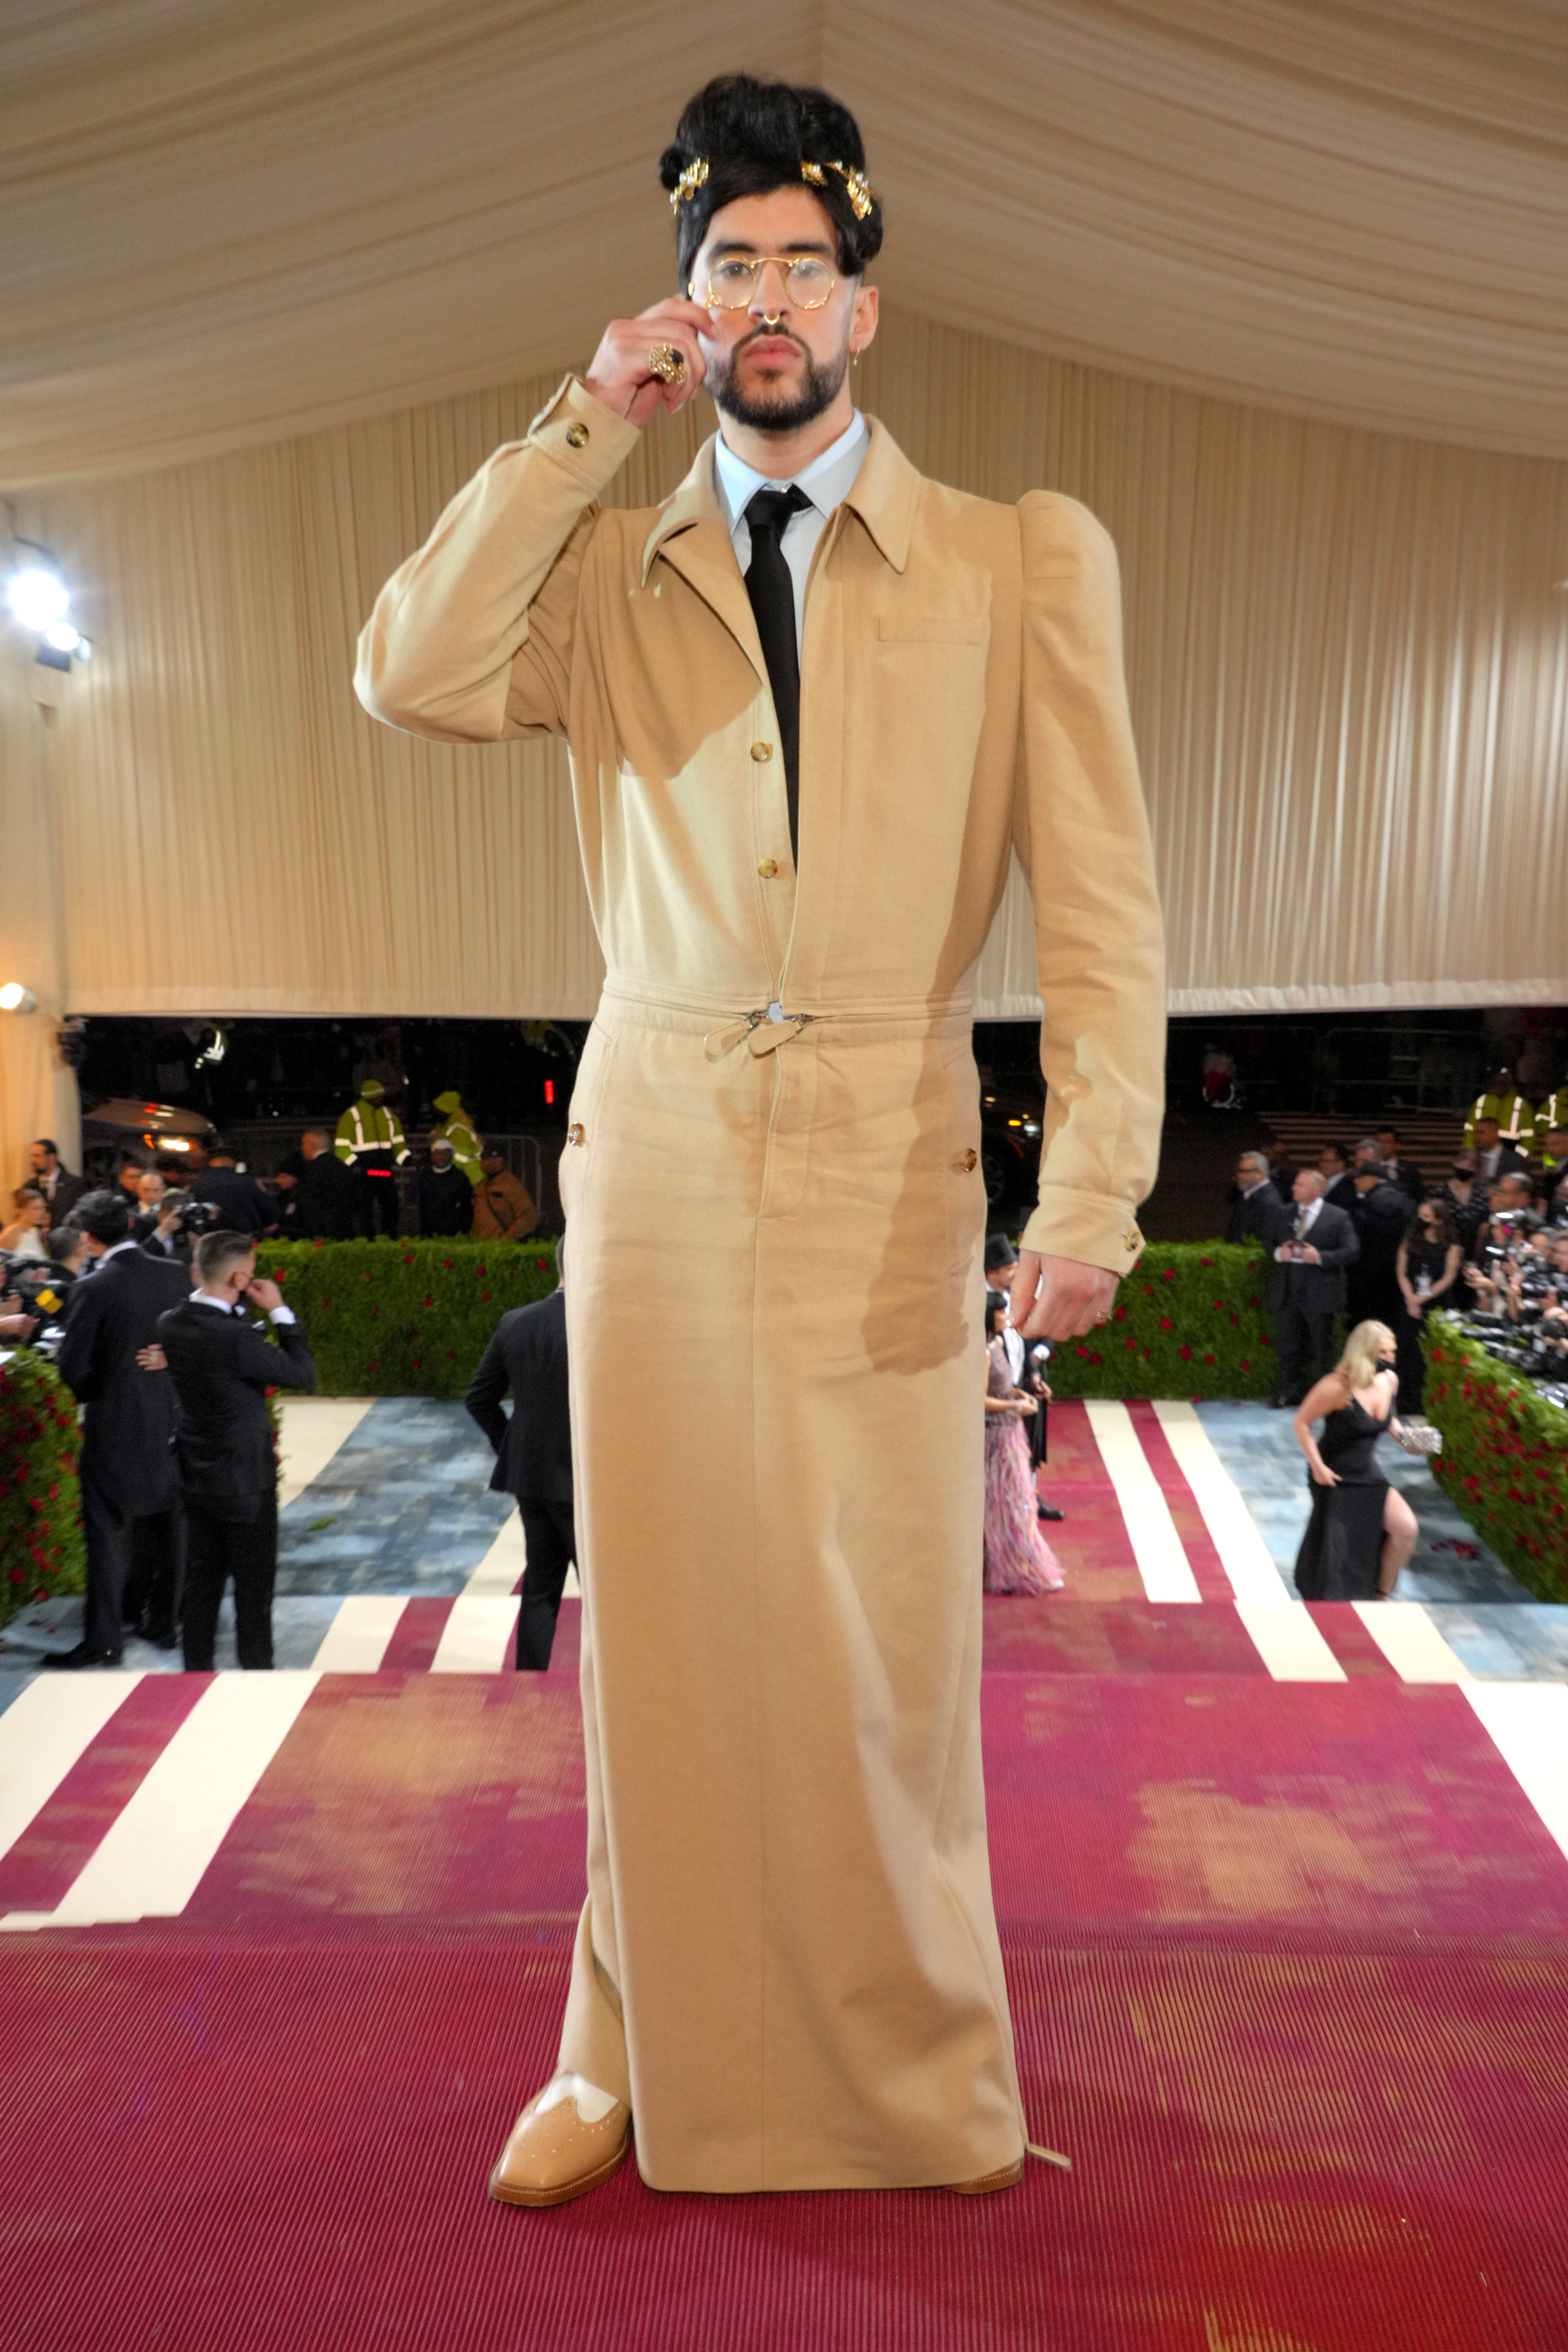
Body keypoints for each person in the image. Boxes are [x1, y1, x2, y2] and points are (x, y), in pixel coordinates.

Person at [356, 72, 1163, 2207]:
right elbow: (407, 671)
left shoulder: (1016, 562)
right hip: (669, 1154)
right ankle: (615, 2042)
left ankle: (903, 2064)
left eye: (809, 261)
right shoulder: (605, 568)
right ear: (687, 309)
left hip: (898, 1139)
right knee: (670, 1628)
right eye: (731, 266)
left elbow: (1101, 911)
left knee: (885, 1638)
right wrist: (576, 420)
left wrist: (1094, 1189)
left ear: (866, 308)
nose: (772, 296)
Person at [155, 1228, 316, 1672]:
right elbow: (303, 1374)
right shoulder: (237, 1338)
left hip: (194, 1473)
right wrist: (280, 1310)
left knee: (202, 1581)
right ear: (241, 1277)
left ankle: (196, 1674)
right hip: (245, 1481)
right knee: (253, 1589)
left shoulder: (170, 1323)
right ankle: (256, 1677)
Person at [48, 1190, 190, 1665]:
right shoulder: (175, 1275)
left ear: (88, 1239)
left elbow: (72, 1368)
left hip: (116, 1421)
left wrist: (98, 1392)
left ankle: (105, 1638)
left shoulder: (95, 1288)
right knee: (170, 1523)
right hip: (173, 1415)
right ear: (131, 1224)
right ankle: (165, 1624)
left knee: (106, 1531)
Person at [464, 1246, 574, 1668]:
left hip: (530, 1477)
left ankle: (530, 1683)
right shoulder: (598, 1327)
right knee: (604, 1594)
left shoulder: (516, 1322)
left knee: (541, 1586)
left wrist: (511, 1443)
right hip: (583, 1482)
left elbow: (479, 1399)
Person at [1291, 1321, 1418, 1601]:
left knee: (1406, 1528)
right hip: (1334, 1474)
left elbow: (1390, 1423)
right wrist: (1318, 1467)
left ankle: (1381, 1593)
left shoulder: (1389, 1381)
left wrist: (1418, 1442)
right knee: (1337, 1556)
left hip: (1366, 1473)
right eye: (1384, 1352)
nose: (1392, 1358)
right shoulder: (1337, 1386)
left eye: (1393, 1351)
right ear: (1366, 1353)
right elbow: (1301, 1423)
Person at [982, 1290, 1063, 1595]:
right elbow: (980, 1398)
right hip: (996, 1438)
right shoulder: (985, 1352)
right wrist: (1015, 1407)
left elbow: (1004, 1389)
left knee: (1015, 1504)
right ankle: (1018, 1568)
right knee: (1009, 1505)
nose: (1007, 1317)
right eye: (1002, 1313)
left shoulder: (996, 1344)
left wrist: (1020, 1396)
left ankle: (1017, 1564)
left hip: (1009, 1435)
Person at [984, 1230, 1061, 1517]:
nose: (1017, 1272)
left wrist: (1033, 1376)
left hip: (1018, 1388)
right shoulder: (981, 1305)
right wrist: (1014, 1402)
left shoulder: (1009, 1297)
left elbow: (1021, 1341)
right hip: (994, 1413)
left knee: (1029, 1451)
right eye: (1011, 1269)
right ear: (992, 1273)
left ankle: (1029, 1502)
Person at [1267, 1168, 1359, 1406]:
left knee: (1322, 1349)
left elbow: (1352, 1252)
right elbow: (1268, 1243)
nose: (1293, 1188)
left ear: (1315, 1190)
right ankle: (1287, 1392)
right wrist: (1280, 1252)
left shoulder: (1338, 1216)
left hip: (1320, 1292)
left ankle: (1325, 1397)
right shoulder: (1284, 1213)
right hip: (1288, 1290)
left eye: (1299, 1185)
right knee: (1287, 1346)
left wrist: (1320, 1257)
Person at [1393, 1200, 1462, 1413]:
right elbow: (1402, 1271)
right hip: (1409, 1299)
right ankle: (1403, 1400)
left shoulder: (1451, 1245)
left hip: (1436, 1302)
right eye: (1420, 1215)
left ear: (1438, 1220)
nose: (1421, 1220)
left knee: (1430, 1353)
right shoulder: (1410, 1240)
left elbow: (1448, 1277)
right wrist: (1410, 1298)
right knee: (1406, 1351)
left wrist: (1421, 1300)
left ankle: (1427, 1402)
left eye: (1426, 1216)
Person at [335, 1077, 408, 1237]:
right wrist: (355, 1164)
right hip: (363, 1172)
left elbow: (398, 1142)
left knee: (391, 1206)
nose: (381, 1098)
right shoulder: (351, 1116)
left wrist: (405, 1158)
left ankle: (390, 1239)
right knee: (363, 1209)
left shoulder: (389, 1115)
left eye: (381, 1095)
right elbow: (341, 1147)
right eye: (377, 1096)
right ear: (368, 1097)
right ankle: (367, 1241)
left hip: (384, 1169)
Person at [1347, 1157, 1407, 1327]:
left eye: (1359, 1178)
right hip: (1397, 1273)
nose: (1355, 1181)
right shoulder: (1408, 1203)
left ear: (1372, 1179)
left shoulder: (1363, 1208)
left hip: (1366, 1275)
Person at [192, 1141, 279, 1236]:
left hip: (211, 1240)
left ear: (211, 1162)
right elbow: (270, 1211)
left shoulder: (197, 1185)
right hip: (244, 1239)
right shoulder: (248, 1182)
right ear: (232, 1161)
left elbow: (191, 1215)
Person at [294, 1127, 358, 1239]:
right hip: (347, 1228)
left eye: (304, 1143)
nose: (302, 1148)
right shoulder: (342, 1167)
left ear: (311, 1144)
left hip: (323, 1233)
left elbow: (309, 1203)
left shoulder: (313, 1169)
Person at [471, 1147, 537, 1241]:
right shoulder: (480, 1186)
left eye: (490, 1159)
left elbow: (527, 1217)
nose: (486, 1163)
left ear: (500, 1160)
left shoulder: (512, 1185)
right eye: (484, 1159)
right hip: (481, 1246)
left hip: (501, 1248)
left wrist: (506, 1240)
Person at [416, 1137, 475, 1236]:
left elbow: (467, 1208)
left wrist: (464, 1231)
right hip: (429, 1234)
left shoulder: (460, 1178)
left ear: (452, 1156)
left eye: (446, 1153)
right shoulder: (424, 1176)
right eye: (438, 1153)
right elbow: (420, 1206)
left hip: (453, 1234)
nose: (441, 1157)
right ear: (432, 1156)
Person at [1463, 1071, 1534, 1154]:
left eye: (1504, 1082)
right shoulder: (1483, 1101)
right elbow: (1470, 1127)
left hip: (1510, 1149)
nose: (1500, 1085)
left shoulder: (1522, 1104)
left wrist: (1521, 1155)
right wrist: (1470, 1149)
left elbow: (1529, 1133)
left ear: (1511, 1084)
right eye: (1498, 1082)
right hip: (1485, 1147)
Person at [1225, 1150, 1281, 1246]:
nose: (1239, 1175)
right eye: (1239, 1171)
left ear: (1259, 1173)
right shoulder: (1249, 1193)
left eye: (1244, 1171)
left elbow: (1263, 1240)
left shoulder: (1269, 1202)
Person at [431, 1090, 483, 1187]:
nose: (435, 1113)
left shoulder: (458, 1128)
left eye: (438, 1110)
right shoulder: (451, 1123)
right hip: (468, 1178)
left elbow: (461, 1156)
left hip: (471, 1179)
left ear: (446, 1109)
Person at [1442, 1152, 1487, 1259]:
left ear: (1476, 1169)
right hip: (1445, 1247)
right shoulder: (1440, 1191)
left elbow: (1485, 1222)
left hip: (1472, 1248)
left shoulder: (1481, 1193)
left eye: (1470, 1166)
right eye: (1461, 1163)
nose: (1464, 1168)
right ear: (1454, 1164)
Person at [28, 1137, 84, 1221]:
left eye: (37, 1156)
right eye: (32, 1156)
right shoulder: (29, 1187)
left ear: (52, 1157)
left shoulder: (74, 1185)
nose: (33, 1161)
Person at [1469, 1114, 1530, 1187]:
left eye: (1481, 1132)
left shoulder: (1515, 1160)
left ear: (1495, 1133)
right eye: (1476, 1132)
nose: (1476, 1136)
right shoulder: (1473, 1158)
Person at [0, 1186, 51, 1260]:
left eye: (43, 1208)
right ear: (22, 1210)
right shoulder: (9, 1235)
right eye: (36, 1209)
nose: (42, 1212)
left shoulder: (37, 1232)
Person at [1374, 1127, 1423, 1200]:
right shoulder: (1369, 1168)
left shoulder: (1410, 1170)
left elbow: (1418, 1196)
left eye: (1387, 1142)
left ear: (1396, 1145)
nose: (1382, 1146)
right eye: (1379, 1142)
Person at [1317, 1142, 1356, 1214]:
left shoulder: (1349, 1185)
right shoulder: (1322, 1183)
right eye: (1321, 1161)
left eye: (1326, 1162)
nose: (1322, 1165)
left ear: (1340, 1164)